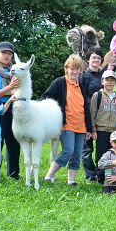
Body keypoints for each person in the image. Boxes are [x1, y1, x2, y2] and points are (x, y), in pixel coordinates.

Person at [42, 54, 93, 185]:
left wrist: (89, 128)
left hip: (81, 124)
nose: (74, 72)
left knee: (77, 153)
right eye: (72, 69)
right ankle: (48, 176)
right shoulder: (60, 82)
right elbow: (45, 97)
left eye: (77, 69)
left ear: (80, 70)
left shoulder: (80, 85)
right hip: (66, 123)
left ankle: (71, 180)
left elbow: (85, 107)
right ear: (66, 69)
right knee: (68, 150)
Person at [0, 41, 21, 179]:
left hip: (14, 107)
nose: (7, 56)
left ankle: (14, 174)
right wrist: (10, 88)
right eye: (4, 53)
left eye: (9, 54)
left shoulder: (14, 70)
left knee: (14, 141)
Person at [90, 70, 116, 182]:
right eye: (107, 80)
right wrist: (93, 130)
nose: (109, 82)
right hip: (101, 130)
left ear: (115, 82)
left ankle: (111, 176)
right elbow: (93, 113)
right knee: (101, 155)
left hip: (115, 131)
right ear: (102, 81)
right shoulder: (98, 95)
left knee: (114, 154)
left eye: (112, 80)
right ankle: (101, 177)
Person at [79, 47, 105, 180]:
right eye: (93, 57)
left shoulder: (104, 75)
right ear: (88, 59)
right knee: (87, 147)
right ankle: (90, 174)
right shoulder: (83, 76)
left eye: (99, 58)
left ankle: (101, 173)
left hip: (102, 115)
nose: (96, 60)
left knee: (102, 147)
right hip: (87, 115)